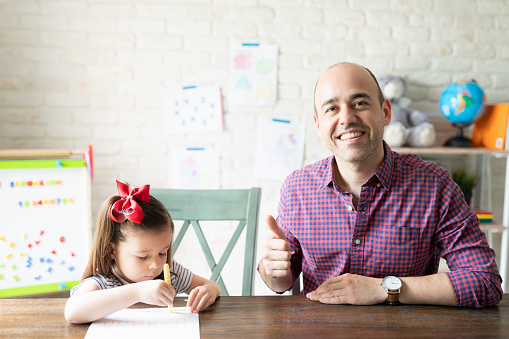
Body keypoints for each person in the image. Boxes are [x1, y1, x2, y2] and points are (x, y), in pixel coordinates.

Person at [258, 62, 502, 308]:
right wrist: (274, 271)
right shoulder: (297, 188)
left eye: (360, 103)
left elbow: (484, 281)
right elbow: (281, 283)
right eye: (332, 108)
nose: (347, 118)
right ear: (318, 124)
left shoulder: (434, 185)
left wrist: (385, 287)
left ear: (386, 111)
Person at [65, 180, 221, 324]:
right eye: (143, 256)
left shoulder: (169, 272)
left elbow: (211, 285)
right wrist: (137, 292)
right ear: (112, 250)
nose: (156, 265)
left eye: (162, 253)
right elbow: (72, 312)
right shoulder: (105, 281)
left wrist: (209, 290)